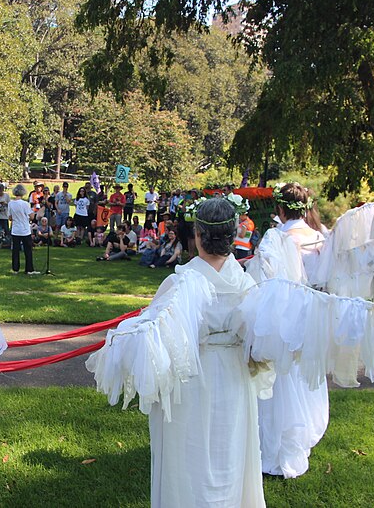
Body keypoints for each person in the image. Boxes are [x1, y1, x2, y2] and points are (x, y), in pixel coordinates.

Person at [86, 197, 265, 507]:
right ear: (233, 233)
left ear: (197, 235)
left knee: (187, 455)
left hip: (191, 381)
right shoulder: (248, 285)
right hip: (234, 379)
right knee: (229, 451)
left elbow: (156, 342)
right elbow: (260, 347)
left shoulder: (180, 283)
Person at [257, 182, 328, 479]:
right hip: (312, 317)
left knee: (279, 383)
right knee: (302, 379)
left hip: (282, 318)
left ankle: (274, 450)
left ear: (280, 209)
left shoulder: (275, 237)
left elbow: (263, 281)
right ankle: (296, 441)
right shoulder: (321, 238)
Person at [8, 184, 40, 274]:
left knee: (15, 250)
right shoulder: (25, 204)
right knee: (28, 250)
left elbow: (10, 217)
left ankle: (15, 269)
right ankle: (29, 269)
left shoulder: (10, 203)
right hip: (25, 230)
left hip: (15, 230)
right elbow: (32, 216)